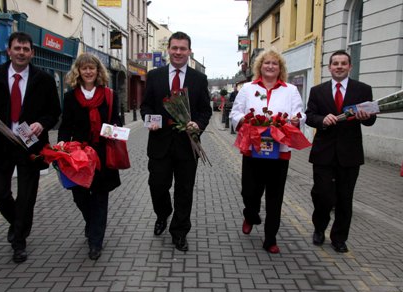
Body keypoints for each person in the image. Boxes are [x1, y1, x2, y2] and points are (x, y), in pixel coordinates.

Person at [0, 32, 61, 263]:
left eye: (26, 49)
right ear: (9, 50)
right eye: (17, 48)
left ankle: (19, 241)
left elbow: (54, 111)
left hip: (30, 146)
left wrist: (41, 123)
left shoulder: (43, 79)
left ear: (32, 53)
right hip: (0, 144)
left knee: (27, 198)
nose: (21, 53)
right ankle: (18, 223)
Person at [140, 31, 212, 252]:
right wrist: (148, 120)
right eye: (175, 48)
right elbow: (146, 106)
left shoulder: (198, 79)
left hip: (187, 145)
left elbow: (205, 111)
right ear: (168, 50)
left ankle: (179, 232)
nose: (178, 52)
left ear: (189, 51)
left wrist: (197, 125)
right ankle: (163, 214)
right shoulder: (155, 75)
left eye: (183, 48)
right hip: (159, 142)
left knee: (185, 190)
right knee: (157, 186)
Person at [229, 48, 306, 254]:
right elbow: (235, 113)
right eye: (266, 63)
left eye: (275, 63)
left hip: (279, 151)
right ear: (259, 67)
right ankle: (250, 214)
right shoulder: (247, 88)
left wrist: (298, 120)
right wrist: (244, 121)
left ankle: (270, 238)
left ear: (280, 68)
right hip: (253, 149)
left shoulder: (290, 90)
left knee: (275, 196)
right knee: (249, 191)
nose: (270, 66)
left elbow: (299, 113)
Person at [306, 50, 376, 253]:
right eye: (335, 63)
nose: (339, 66)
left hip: (350, 153)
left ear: (350, 67)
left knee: (345, 198)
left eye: (343, 63)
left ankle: (339, 238)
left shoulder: (363, 89)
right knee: (323, 195)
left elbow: (371, 119)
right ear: (329, 67)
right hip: (323, 153)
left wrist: (365, 117)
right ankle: (319, 228)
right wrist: (322, 120)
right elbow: (309, 116)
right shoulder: (317, 91)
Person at [58, 53, 121, 260]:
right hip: (79, 155)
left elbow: (117, 122)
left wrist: (114, 130)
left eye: (91, 68)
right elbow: (66, 125)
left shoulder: (110, 95)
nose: (88, 71)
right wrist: (61, 143)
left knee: (101, 199)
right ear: (78, 71)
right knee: (79, 195)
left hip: (103, 154)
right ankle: (91, 223)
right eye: (83, 68)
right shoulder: (70, 96)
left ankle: (96, 242)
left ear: (97, 71)